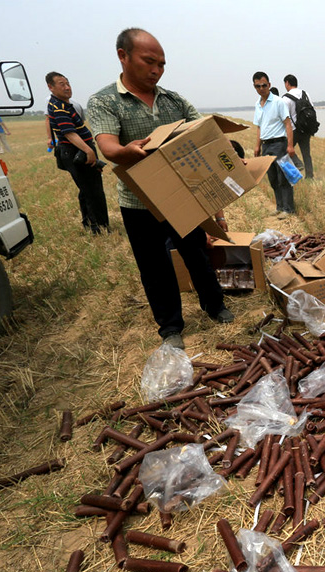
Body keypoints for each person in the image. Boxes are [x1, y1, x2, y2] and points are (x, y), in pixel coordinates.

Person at [87, 28, 234, 349]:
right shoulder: (104, 101)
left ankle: (215, 305)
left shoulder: (174, 101)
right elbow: (107, 146)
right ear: (123, 56)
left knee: (197, 252)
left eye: (162, 64)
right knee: (154, 265)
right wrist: (127, 151)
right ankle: (170, 327)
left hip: (182, 197)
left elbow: (206, 134)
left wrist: (218, 206)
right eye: (149, 61)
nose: (157, 70)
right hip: (139, 203)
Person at [46, 71, 111, 234]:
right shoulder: (59, 107)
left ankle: (90, 223)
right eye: (62, 84)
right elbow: (69, 133)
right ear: (51, 87)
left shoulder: (63, 104)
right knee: (92, 190)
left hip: (75, 150)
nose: (67, 87)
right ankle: (99, 227)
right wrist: (88, 150)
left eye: (68, 83)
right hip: (76, 151)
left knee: (86, 188)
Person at [252, 71, 296, 216]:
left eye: (264, 85)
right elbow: (259, 126)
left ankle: (288, 209)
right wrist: (257, 145)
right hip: (266, 145)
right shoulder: (258, 105)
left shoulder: (278, 102)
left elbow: (287, 124)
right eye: (258, 86)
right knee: (273, 178)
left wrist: (290, 145)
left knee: (283, 176)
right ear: (254, 87)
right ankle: (279, 207)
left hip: (279, 144)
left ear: (269, 85)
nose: (261, 88)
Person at [282, 74, 315, 179]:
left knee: (284, 149)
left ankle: (297, 165)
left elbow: (284, 118)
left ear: (287, 83)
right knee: (306, 154)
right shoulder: (306, 94)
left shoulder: (285, 98)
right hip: (306, 129)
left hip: (294, 130)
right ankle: (310, 177)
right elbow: (312, 109)